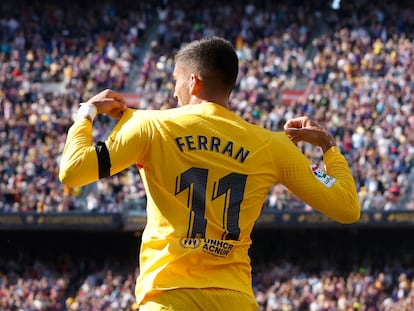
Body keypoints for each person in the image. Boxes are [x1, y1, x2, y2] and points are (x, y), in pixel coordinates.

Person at [59, 36, 360, 310]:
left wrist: (87, 112)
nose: (174, 93)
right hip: (236, 300)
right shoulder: (272, 145)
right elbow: (347, 208)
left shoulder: (149, 125)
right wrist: (329, 149)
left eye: (175, 81)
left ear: (193, 82)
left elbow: (72, 172)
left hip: (169, 297)